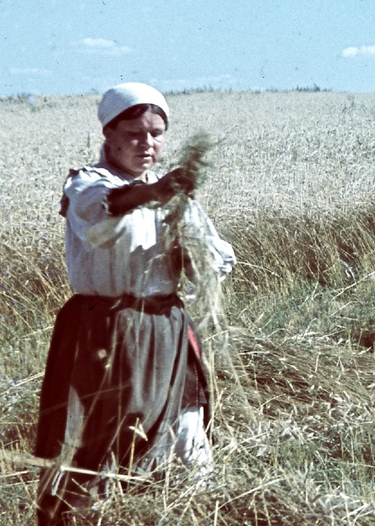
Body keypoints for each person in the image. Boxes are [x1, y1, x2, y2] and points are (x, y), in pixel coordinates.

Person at [35, 83, 236, 525]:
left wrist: (192, 251)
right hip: (106, 331)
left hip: (166, 327)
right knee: (98, 439)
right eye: (134, 134)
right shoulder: (87, 183)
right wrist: (154, 194)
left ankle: (184, 512)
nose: (147, 144)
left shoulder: (172, 195)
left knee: (186, 430)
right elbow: (101, 214)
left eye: (157, 134)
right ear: (109, 134)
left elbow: (216, 259)